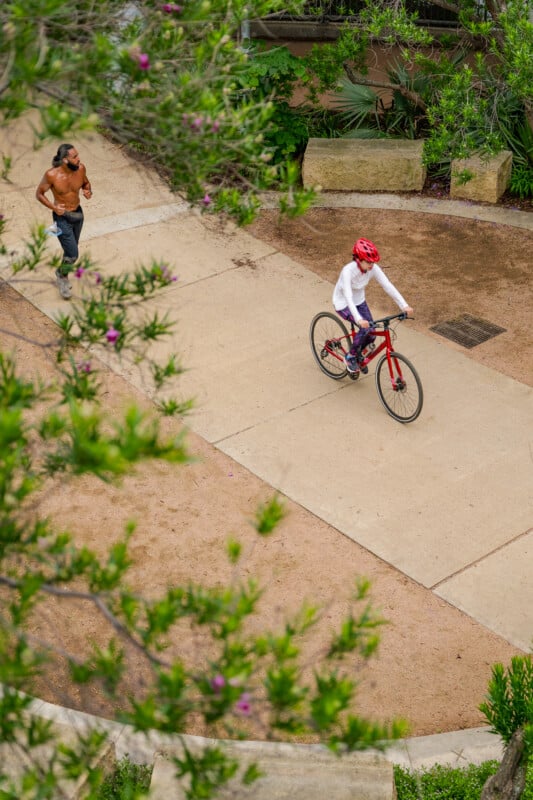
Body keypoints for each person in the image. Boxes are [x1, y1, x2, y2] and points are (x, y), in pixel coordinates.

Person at [333, 237, 413, 375]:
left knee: (372, 334)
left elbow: (387, 285)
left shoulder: (372, 268)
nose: (372, 265)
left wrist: (404, 305)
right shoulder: (347, 271)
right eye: (368, 262)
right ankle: (350, 357)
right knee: (364, 329)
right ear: (358, 260)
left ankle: (358, 355)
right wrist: (359, 320)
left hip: (360, 302)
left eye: (373, 262)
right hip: (344, 304)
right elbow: (348, 297)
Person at [36, 143, 92, 299]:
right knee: (73, 254)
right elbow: (39, 194)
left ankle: (54, 231)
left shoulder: (81, 169)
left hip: (78, 215)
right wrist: (53, 208)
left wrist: (87, 190)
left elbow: (86, 183)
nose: (78, 159)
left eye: (78, 155)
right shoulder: (52, 175)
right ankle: (61, 276)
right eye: (74, 157)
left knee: (70, 250)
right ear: (65, 160)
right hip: (62, 217)